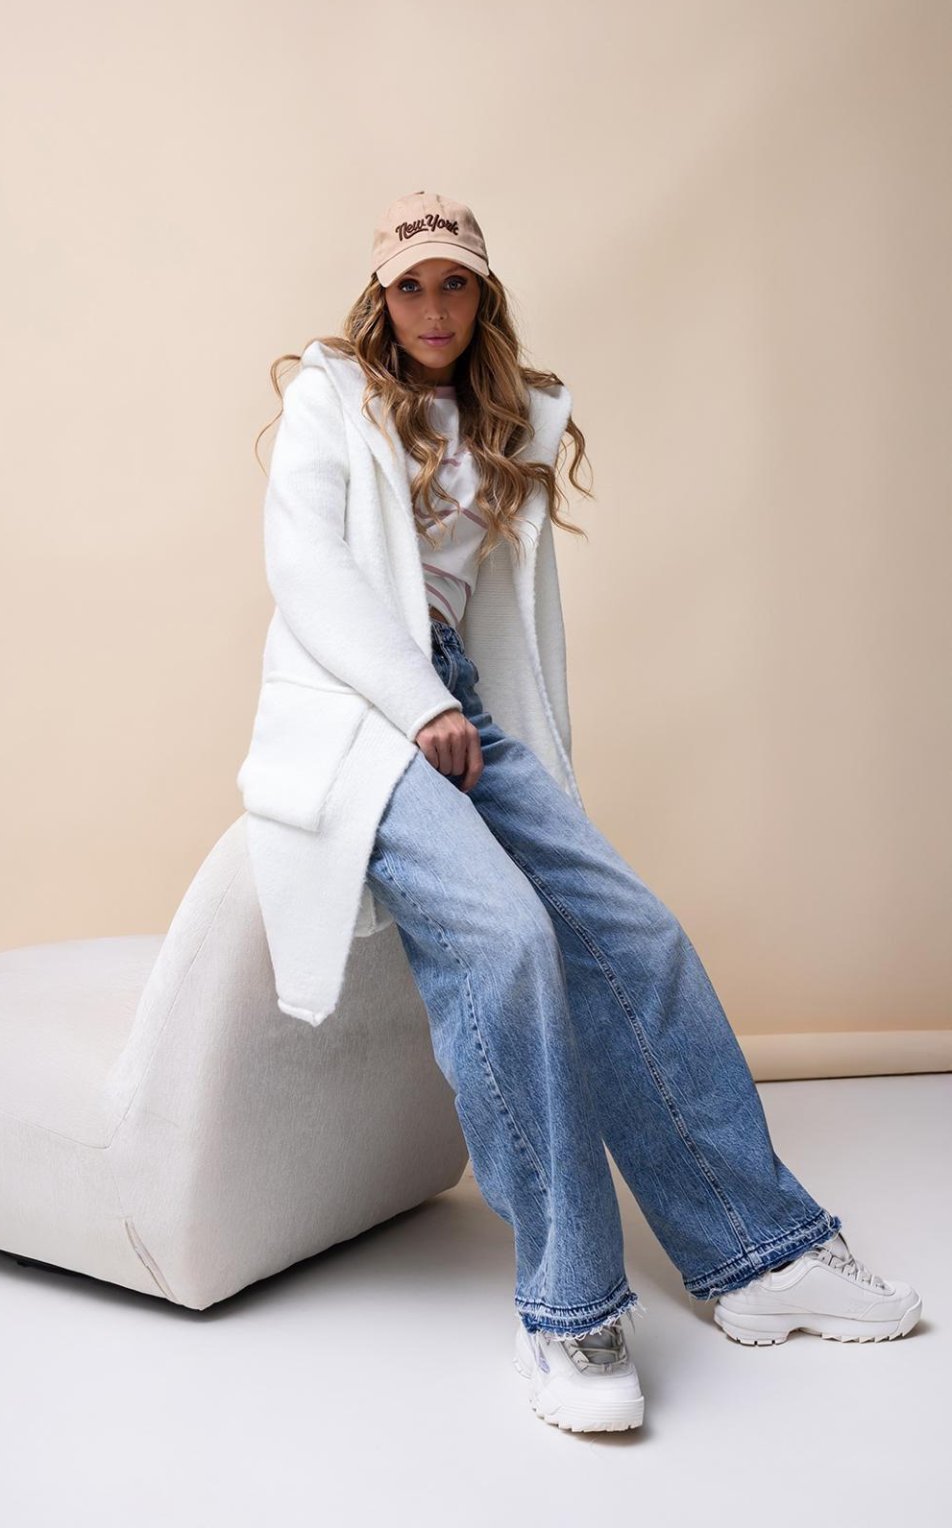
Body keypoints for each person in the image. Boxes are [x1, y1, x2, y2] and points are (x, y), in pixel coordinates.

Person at [241, 190, 923, 1434]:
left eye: (455, 284)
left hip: (459, 707)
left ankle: (759, 1255)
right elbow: (308, 571)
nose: (433, 308)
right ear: (381, 297)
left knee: (636, 933)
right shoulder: (330, 397)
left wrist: (490, 735)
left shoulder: (513, 420)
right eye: (411, 285)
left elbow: (509, 627)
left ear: (482, 296)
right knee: (508, 941)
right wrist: (412, 700)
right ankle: (569, 1310)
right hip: (357, 713)